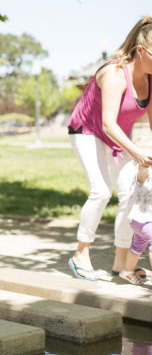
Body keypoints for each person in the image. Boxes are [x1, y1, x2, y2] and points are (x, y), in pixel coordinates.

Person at [67, 17, 152, 281]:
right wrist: (137, 153)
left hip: (115, 137)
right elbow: (108, 124)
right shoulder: (115, 73)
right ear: (141, 51)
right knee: (101, 191)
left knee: (130, 194)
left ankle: (121, 265)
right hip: (87, 131)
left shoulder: (151, 79)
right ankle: (80, 253)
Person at [121, 138, 152, 285]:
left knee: (138, 245)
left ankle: (127, 271)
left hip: (138, 219)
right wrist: (143, 164)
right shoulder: (142, 170)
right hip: (143, 219)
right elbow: (142, 174)